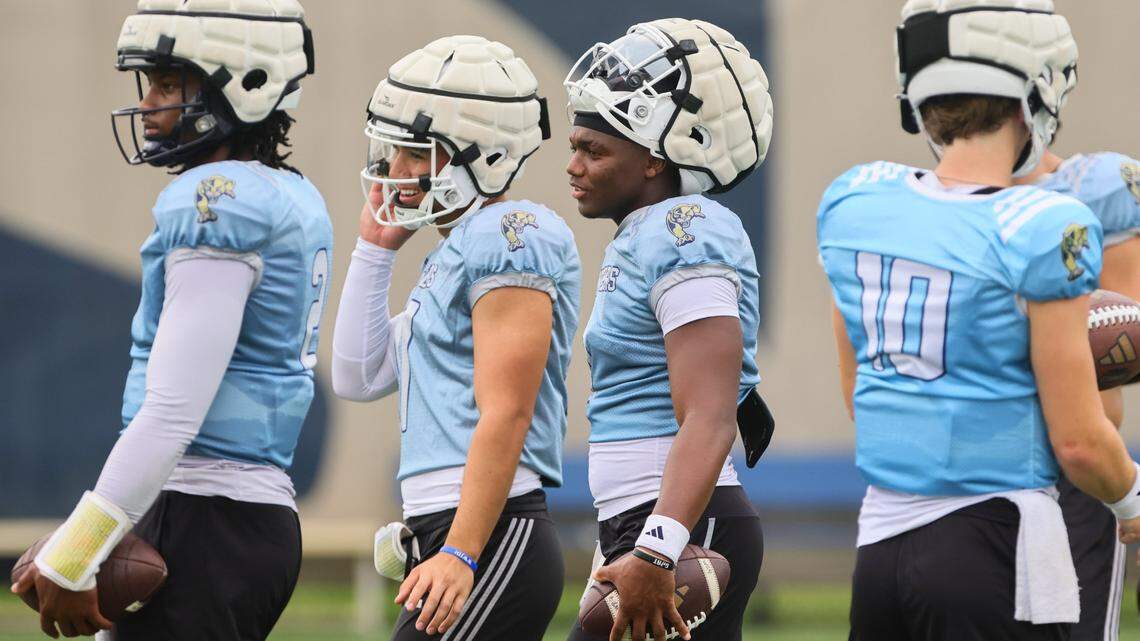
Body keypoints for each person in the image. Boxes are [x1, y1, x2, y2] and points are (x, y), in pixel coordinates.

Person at [818, 1, 1140, 639]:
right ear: (1035, 92)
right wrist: (1130, 496)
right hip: (999, 539)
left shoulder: (857, 199)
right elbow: (1080, 440)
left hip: (880, 543)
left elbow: (863, 396)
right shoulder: (1047, 225)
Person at [10, 1, 327, 640]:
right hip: (231, 512)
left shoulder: (218, 201)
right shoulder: (287, 194)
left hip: (207, 515)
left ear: (244, 83)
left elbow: (174, 411)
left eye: (167, 83)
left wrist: (79, 547)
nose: (149, 104)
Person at [330, 35, 580, 641]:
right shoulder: (455, 251)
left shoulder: (509, 233)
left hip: (492, 534)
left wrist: (464, 551)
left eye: (416, 152)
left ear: (484, 155)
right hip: (456, 528)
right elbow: (356, 375)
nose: (396, 169)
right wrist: (373, 247)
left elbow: (508, 410)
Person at [562, 18, 774, 641]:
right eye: (574, 146)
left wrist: (656, 547)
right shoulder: (643, 235)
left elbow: (710, 413)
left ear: (657, 161)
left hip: (682, 525)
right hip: (652, 519)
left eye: (595, 151)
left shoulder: (684, 229)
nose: (574, 166)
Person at [1018, 145, 1140, 638]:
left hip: (1076, 471)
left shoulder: (1098, 185)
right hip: (971, 474)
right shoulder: (937, 204)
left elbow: (1125, 337)